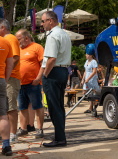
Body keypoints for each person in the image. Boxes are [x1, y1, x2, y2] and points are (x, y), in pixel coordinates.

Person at [41, 11, 71, 147]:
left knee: (53, 107)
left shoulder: (52, 36)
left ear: (51, 21)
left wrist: (45, 75)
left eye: (43, 21)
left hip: (53, 72)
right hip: (64, 70)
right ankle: (60, 136)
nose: (42, 24)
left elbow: (51, 58)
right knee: (59, 105)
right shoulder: (65, 34)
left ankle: (60, 138)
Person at [15, 29, 45, 139]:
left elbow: (43, 65)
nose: (17, 42)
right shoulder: (17, 49)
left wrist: (38, 78)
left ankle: (40, 129)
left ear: (26, 38)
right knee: (22, 108)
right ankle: (23, 129)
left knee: (37, 106)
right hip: (20, 83)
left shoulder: (37, 47)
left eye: (19, 40)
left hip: (33, 84)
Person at [0, 19, 21, 143]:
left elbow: (16, 57)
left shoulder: (10, 38)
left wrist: (7, 75)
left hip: (11, 77)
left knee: (11, 107)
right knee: (5, 109)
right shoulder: (5, 40)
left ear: (3, 27)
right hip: (5, 78)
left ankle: (13, 133)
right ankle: (6, 138)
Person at [0, 35, 14, 156]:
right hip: (1, 80)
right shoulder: (5, 42)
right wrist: (5, 79)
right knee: (3, 115)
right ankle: (6, 146)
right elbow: (10, 64)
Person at [81, 44, 100, 114]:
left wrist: (88, 79)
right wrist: (82, 79)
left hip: (92, 80)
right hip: (86, 80)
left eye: (87, 54)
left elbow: (94, 71)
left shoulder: (94, 62)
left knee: (93, 94)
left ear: (91, 55)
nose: (86, 55)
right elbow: (85, 71)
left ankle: (93, 107)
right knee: (86, 93)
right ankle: (92, 106)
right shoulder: (86, 62)